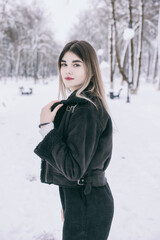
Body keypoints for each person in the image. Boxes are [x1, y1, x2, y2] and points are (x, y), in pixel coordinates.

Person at [34, 40, 114, 240]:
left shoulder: (85, 110)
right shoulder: (76, 106)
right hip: (81, 201)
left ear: (91, 69)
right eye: (64, 63)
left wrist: (46, 129)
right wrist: (67, 203)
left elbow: (73, 169)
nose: (67, 70)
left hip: (88, 202)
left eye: (76, 64)